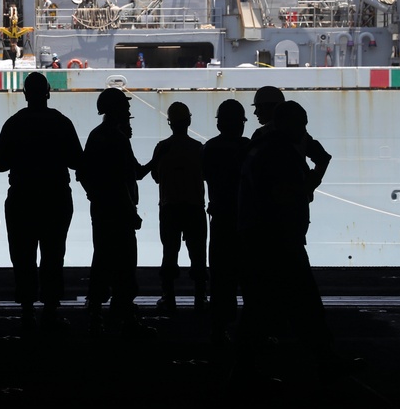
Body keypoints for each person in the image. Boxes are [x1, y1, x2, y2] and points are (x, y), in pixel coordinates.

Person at [236, 101, 359, 380]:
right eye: (300, 124)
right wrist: (311, 182)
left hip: (261, 238)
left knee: (262, 306)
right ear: (286, 124)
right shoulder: (280, 153)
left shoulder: (263, 146)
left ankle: (244, 369)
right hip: (278, 240)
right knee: (305, 303)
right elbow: (287, 194)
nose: (304, 130)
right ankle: (322, 359)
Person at [0, 72, 83, 332]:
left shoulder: (14, 123)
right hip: (55, 198)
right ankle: (50, 311)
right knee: (53, 256)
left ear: (25, 94)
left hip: (23, 198)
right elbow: (77, 160)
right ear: (48, 93)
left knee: (23, 257)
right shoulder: (61, 122)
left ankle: (27, 312)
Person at [80, 87, 153, 337]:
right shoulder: (118, 139)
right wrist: (130, 212)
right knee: (125, 265)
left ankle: (96, 317)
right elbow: (128, 177)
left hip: (101, 212)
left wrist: (95, 196)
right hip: (120, 214)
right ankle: (126, 320)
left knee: (102, 259)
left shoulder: (96, 136)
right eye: (125, 106)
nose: (128, 110)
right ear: (116, 109)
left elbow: (84, 174)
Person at [147, 101, 207, 313]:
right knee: (198, 255)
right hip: (194, 207)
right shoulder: (199, 148)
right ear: (188, 121)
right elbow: (206, 175)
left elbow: (155, 176)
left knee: (169, 253)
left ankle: (168, 297)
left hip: (170, 207)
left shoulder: (162, 148)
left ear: (170, 123)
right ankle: (200, 297)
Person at [201, 99, 250, 345]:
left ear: (219, 123)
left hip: (220, 221)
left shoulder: (209, 148)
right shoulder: (249, 147)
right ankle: (253, 332)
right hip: (247, 222)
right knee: (250, 278)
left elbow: (203, 175)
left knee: (221, 278)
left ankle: (219, 330)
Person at [251, 85, 332, 202]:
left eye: (259, 107)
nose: (256, 112)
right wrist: (309, 186)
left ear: (271, 107)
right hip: (296, 205)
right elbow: (323, 158)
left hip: (268, 205)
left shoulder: (260, 136)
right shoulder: (301, 136)